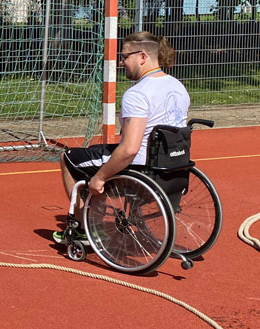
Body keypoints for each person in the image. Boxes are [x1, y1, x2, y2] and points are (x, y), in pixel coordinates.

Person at [54, 31, 190, 243]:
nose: (120, 61)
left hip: (140, 169)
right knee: (101, 154)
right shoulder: (177, 86)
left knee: (69, 157)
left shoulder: (138, 94)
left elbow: (129, 149)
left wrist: (100, 178)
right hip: (171, 166)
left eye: (125, 56)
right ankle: (95, 217)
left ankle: (83, 228)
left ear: (142, 57)